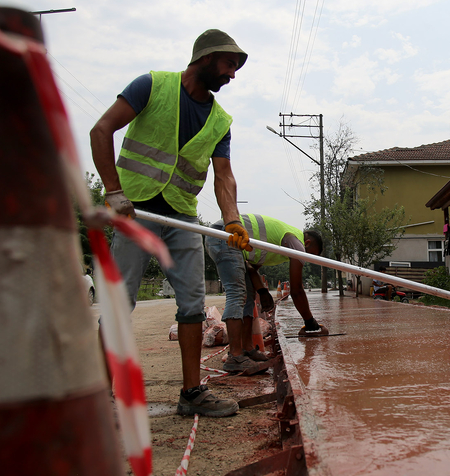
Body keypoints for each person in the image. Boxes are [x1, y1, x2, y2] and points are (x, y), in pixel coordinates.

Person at [90, 29, 251, 418]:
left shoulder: (219, 120)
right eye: (229, 65)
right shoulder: (152, 86)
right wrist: (112, 191)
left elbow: (223, 174)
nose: (232, 75)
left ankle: (192, 393)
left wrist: (232, 220)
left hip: (181, 216)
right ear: (207, 57)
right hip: (135, 210)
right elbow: (101, 130)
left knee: (193, 305)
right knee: (118, 301)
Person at [204, 214, 326, 373]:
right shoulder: (296, 243)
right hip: (225, 235)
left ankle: (247, 350)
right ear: (307, 243)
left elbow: (251, 269)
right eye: (309, 254)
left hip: (230, 241)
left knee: (247, 296)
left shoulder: (276, 243)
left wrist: (262, 291)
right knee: (236, 293)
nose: (306, 259)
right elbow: (296, 290)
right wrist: (310, 322)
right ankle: (235, 356)